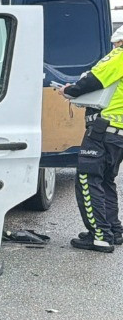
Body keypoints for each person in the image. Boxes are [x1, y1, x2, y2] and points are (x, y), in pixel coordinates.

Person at [58, 26, 123, 253]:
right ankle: (113, 230)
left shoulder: (121, 57)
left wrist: (70, 91)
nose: (113, 49)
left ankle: (100, 236)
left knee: (87, 179)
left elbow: (93, 80)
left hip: (103, 131)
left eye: (116, 44)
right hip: (118, 134)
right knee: (105, 181)